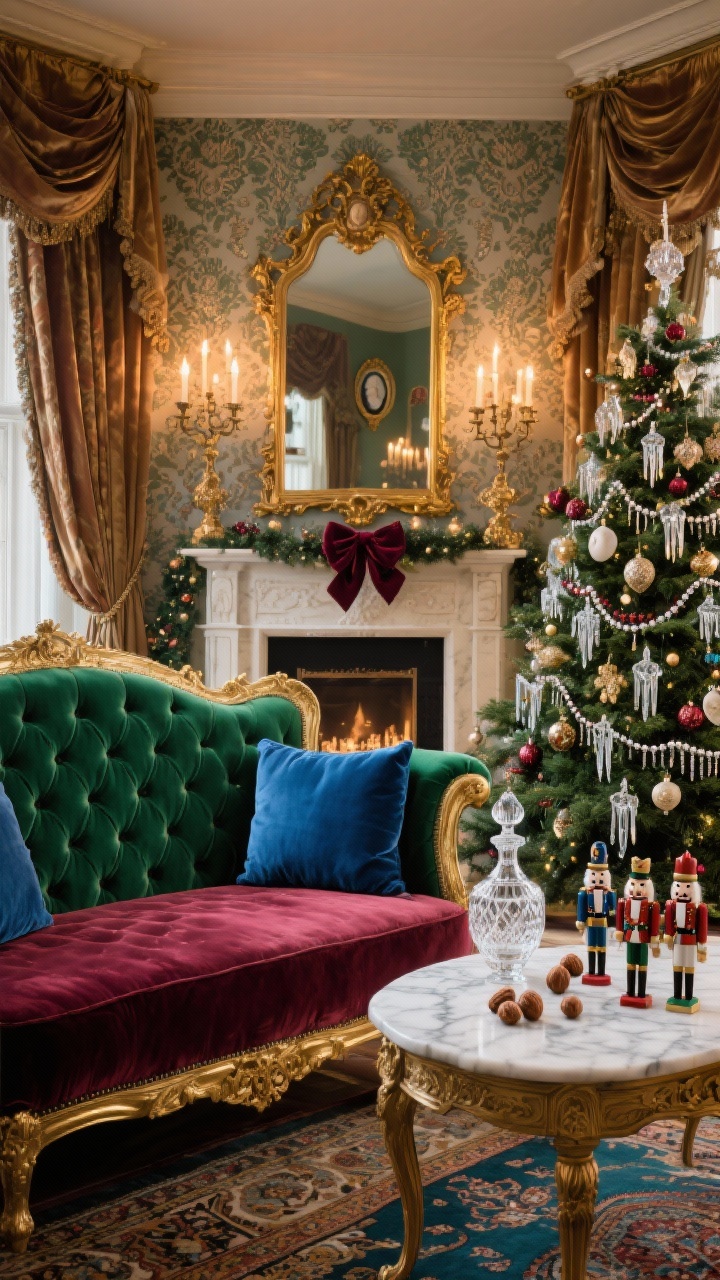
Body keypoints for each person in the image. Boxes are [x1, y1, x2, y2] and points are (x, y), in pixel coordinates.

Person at [614, 856, 661, 1007]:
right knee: (630, 964)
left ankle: (641, 992)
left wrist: (654, 939)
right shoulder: (624, 902)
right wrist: (620, 931)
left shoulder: (651, 906)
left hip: (642, 937)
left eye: (641, 884)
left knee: (642, 964)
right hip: (629, 936)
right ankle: (629, 991)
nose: (637, 888)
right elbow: (620, 918)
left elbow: (654, 924)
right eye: (634, 884)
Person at [664, 850, 708, 1013]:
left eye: (687, 886)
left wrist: (702, 948)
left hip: (690, 940)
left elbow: (702, 929)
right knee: (677, 966)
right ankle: (676, 994)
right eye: (679, 886)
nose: (682, 890)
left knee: (688, 967)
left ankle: (688, 996)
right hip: (677, 939)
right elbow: (669, 922)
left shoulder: (699, 908)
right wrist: (667, 935)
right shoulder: (672, 905)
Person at [576, 840, 616, 985]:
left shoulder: (608, 893)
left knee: (602, 946)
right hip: (591, 921)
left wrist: (613, 911)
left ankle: (601, 971)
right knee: (592, 946)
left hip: (603, 921)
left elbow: (613, 906)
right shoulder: (585, 893)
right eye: (594, 876)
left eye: (601, 877)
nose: (598, 880)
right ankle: (592, 970)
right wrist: (581, 920)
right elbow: (581, 906)